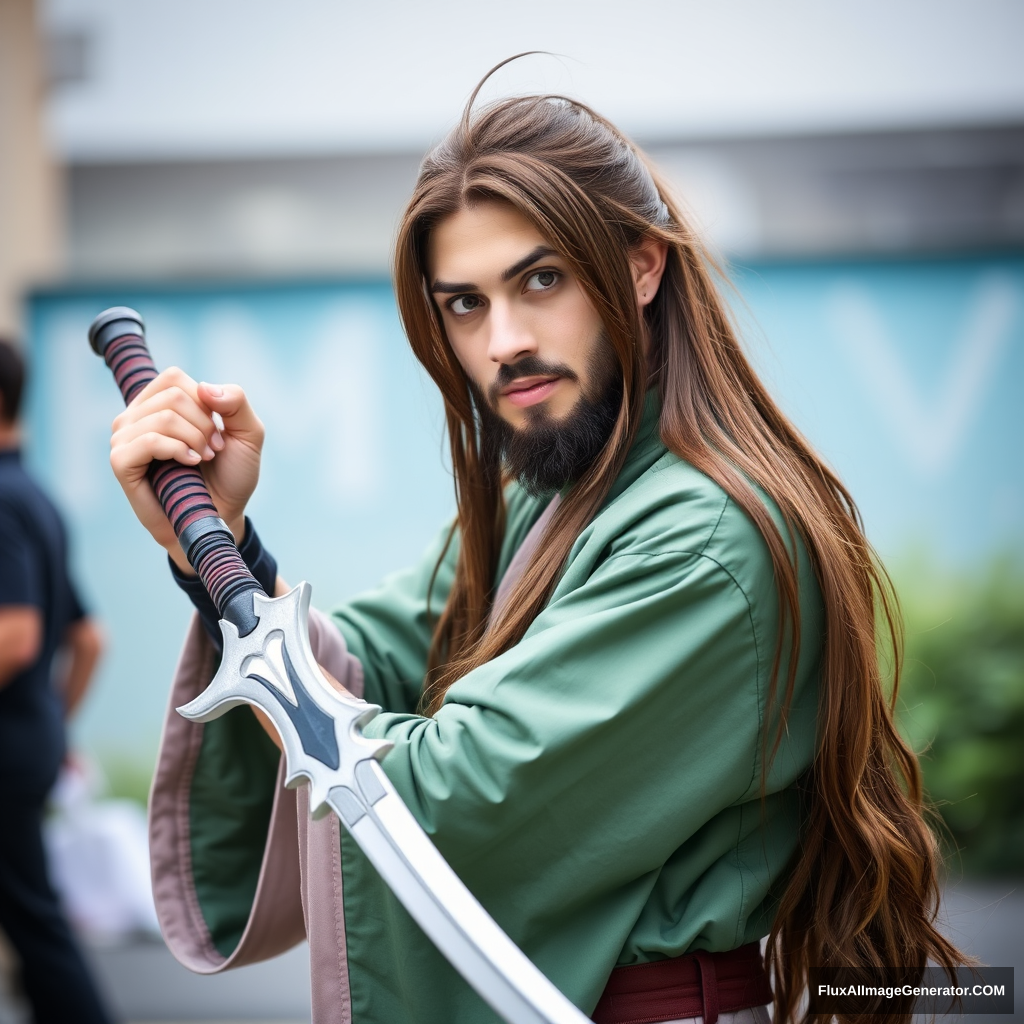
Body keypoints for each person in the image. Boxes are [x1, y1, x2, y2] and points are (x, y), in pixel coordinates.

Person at [108, 73, 965, 1024]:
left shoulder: (704, 538)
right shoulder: (559, 492)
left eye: (541, 280)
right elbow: (382, 657)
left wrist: (252, 626)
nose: (503, 340)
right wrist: (218, 545)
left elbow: (445, 794)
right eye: (465, 305)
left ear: (641, 267)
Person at [0, 338, 113, 1024]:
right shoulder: (34, 495)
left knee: (35, 923)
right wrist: (55, 720)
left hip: (7, 746)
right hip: (28, 740)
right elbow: (90, 638)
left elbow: (15, 636)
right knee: (32, 915)